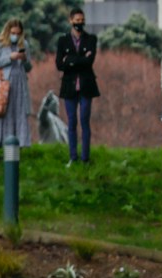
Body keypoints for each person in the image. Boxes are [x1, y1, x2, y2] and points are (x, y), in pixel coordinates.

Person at [0, 19, 33, 164]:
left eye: (18, 33)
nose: (15, 36)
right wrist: (9, 58)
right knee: (0, 115)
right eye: (13, 33)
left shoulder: (24, 44)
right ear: (7, 31)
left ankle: (12, 154)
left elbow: (29, 67)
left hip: (19, 84)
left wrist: (24, 59)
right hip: (2, 84)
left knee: (17, 115)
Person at [57, 8, 100, 165]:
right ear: (70, 21)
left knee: (84, 120)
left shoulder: (91, 39)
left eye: (82, 21)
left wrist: (70, 60)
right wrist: (80, 59)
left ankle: (85, 158)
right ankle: (73, 157)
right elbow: (59, 64)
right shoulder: (63, 41)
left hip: (86, 86)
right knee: (72, 121)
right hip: (69, 87)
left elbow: (90, 61)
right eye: (77, 21)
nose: (80, 24)